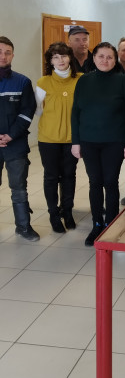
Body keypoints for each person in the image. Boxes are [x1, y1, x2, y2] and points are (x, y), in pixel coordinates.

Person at [71, 42, 125, 246]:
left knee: (110, 181)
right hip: (88, 141)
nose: (105, 60)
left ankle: (111, 224)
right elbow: (75, 112)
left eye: (109, 57)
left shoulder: (122, 81)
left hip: (114, 141)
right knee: (95, 182)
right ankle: (97, 223)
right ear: (94, 58)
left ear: (115, 60)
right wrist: (75, 142)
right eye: (101, 56)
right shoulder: (84, 81)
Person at [35, 42, 82, 233]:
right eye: (55, 57)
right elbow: (37, 109)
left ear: (70, 57)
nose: (60, 60)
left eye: (63, 56)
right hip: (48, 139)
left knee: (69, 175)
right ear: (50, 61)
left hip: (72, 139)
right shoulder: (43, 82)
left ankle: (67, 212)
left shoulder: (80, 80)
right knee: (51, 176)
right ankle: (54, 215)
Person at [0, 36, 38, 241]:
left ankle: (23, 227)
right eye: (0, 52)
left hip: (16, 144)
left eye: (7, 52)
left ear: (13, 55)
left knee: (19, 187)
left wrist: (11, 135)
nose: (3, 56)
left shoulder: (22, 81)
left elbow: (27, 112)